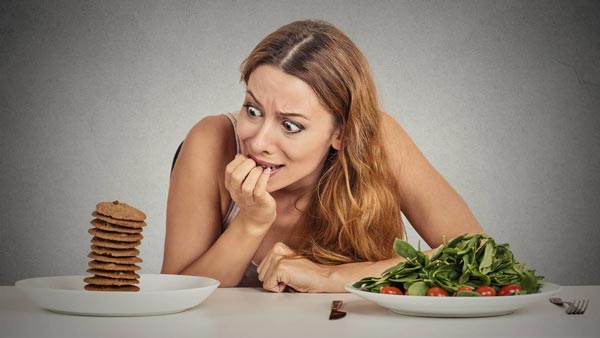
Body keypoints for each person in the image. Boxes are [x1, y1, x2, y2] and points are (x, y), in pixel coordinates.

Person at [161, 20, 483, 293]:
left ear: (341, 133)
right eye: (253, 109)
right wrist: (251, 222)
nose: (258, 142)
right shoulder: (211, 141)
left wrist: (331, 277)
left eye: (290, 125)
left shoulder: (377, 139)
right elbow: (176, 295)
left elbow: (479, 252)